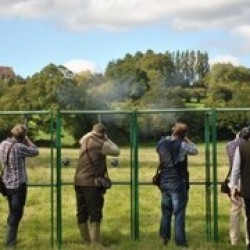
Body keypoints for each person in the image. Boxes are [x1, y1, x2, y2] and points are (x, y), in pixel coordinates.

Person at [74, 123, 120, 247]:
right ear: (103, 133)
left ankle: (86, 241)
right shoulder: (103, 144)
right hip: (91, 183)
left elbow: (83, 138)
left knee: (81, 212)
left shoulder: (85, 140)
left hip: (78, 181)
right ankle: (95, 243)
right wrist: (107, 138)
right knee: (95, 213)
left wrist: (92, 133)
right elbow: (117, 150)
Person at [156, 122, 198, 247]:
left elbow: (159, 148)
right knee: (179, 213)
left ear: (173, 131)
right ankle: (180, 242)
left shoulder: (161, 143)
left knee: (166, 210)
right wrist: (186, 139)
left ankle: (164, 237)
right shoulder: (183, 145)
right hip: (178, 182)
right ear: (184, 134)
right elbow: (195, 150)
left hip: (164, 180)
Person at [0, 124, 39, 248]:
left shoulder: (2, 144)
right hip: (18, 185)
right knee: (16, 214)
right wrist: (27, 140)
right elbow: (35, 151)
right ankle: (10, 243)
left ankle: (11, 238)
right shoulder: (19, 147)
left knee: (12, 210)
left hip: (6, 184)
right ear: (22, 137)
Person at [226, 129, 249, 245]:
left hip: (235, 180)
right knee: (247, 213)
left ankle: (234, 239)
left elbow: (235, 167)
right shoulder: (245, 146)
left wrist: (232, 186)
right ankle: (247, 239)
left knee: (235, 211)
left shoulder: (230, 145)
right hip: (246, 179)